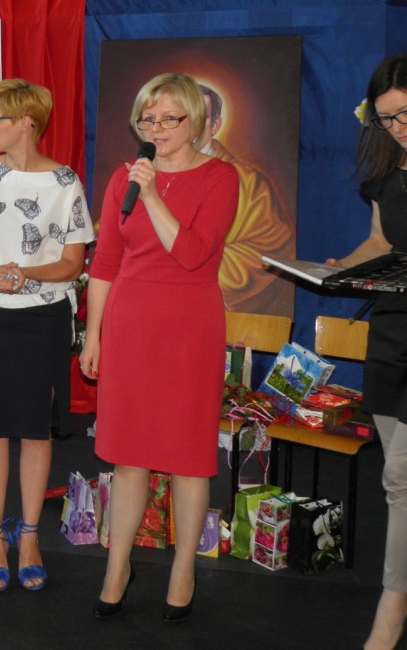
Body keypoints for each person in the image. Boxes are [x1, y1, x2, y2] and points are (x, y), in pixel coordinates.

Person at [79, 73, 238, 620]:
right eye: (148, 119)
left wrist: (150, 194)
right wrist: (93, 333)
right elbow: (106, 260)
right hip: (130, 325)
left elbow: (191, 253)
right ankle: (117, 567)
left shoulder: (220, 177)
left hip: (189, 328)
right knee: (129, 456)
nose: (157, 128)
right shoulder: (122, 176)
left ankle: (183, 570)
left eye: (170, 118)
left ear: (196, 121)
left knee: (189, 459)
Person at [0, 79, 93, 592]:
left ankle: (28, 536)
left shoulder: (65, 183)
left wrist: (25, 274)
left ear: (27, 122)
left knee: (34, 430)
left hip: (43, 318)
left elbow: (73, 263)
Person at [326, 53, 407, 650]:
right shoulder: (386, 172)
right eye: (385, 119)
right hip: (392, 333)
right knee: (397, 479)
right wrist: (336, 269)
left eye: (404, 114)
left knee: (401, 477)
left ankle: (391, 610)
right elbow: (379, 241)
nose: (397, 128)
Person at [194, 84, 296, 311]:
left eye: (199, 117)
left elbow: (271, 249)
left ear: (215, 125)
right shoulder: (152, 177)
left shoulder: (249, 182)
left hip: (212, 306)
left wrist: (186, 257)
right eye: (181, 116)